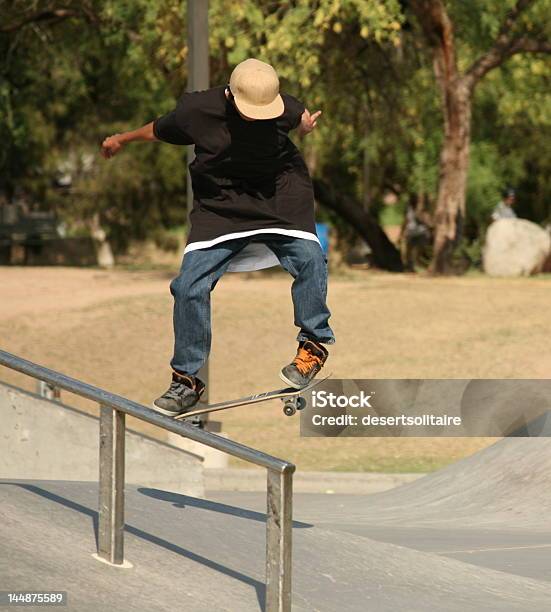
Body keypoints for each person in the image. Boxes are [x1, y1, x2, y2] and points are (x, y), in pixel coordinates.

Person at [100, 58, 335, 417]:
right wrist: (122, 139)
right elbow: (159, 129)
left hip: (280, 196)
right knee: (188, 285)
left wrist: (303, 127)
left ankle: (313, 345)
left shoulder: (283, 105)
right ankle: (186, 380)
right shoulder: (196, 110)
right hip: (220, 206)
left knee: (311, 258)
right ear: (230, 96)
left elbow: (299, 119)